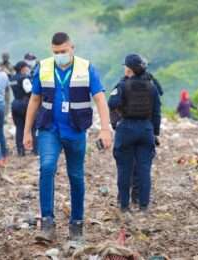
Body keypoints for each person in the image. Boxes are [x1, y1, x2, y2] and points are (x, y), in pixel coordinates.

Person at [23, 32, 112, 242]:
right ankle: (47, 223)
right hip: (49, 130)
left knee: (76, 176)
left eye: (63, 51)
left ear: (72, 47)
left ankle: (76, 225)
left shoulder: (86, 68)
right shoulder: (43, 67)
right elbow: (35, 99)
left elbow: (99, 99)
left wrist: (105, 129)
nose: (60, 55)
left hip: (75, 130)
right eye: (55, 52)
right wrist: (27, 131)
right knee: (46, 168)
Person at [109, 54, 161, 213]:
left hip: (126, 128)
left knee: (124, 168)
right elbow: (157, 112)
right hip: (146, 129)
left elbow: (111, 103)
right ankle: (143, 206)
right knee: (144, 169)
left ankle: (124, 205)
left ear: (130, 69)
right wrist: (155, 133)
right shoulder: (152, 87)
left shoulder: (123, 86)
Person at [10, 61, 34, 156]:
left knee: (19, 127)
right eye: (26, 67)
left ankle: (20, 150)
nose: (27, 69)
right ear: (22, 68)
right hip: (25, 104)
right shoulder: (24, 78)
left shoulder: (12, 78)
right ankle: (35, 149)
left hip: (15, 103)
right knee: (32, 125)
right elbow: (29, 91)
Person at [0, 52, 15, 118]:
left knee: (7, 101)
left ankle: (5, 115)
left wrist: (8, 72)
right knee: (0, 101)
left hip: (7, 85)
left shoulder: (10, 66)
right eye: (4, 57)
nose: (5, 59)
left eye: (6, 57)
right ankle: (1, 115)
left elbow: (13, 76)